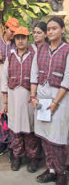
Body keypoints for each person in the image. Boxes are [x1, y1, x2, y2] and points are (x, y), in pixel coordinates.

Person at [31, 17, 69, 185]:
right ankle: (51, 169)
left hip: (60, 99)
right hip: (41, 98)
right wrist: (33, 96)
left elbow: (67, 80)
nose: (51, 31)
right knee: (45, 136)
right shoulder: (41, 49)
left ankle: (61, 173)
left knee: (58, 137)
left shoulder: (67, 50)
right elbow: (34, 74)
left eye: (55, 28)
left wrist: (55, 103)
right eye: (49, 29)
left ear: (62, 30)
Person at [1, 26, 39, 172]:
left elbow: (36, 77)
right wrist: (5, 102)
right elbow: (5, 79)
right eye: (18, 38)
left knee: (30, 130)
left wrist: (34, 96)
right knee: (15, 129)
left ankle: (33, 159)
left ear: (27, 39)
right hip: (13, 98)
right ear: (14, 40)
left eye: (23, 37)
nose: (21, 41)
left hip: (28, 99)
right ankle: (17, 157)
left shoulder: (33, 55)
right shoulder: (10, 56)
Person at [0, 17, 19, 156]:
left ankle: (13, 143)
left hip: (13, 80)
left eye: (15, 31)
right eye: (11, 30)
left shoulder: (17, 44)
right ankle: (2, 141)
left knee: (11, 111)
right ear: (5, 28)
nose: (13, 34)